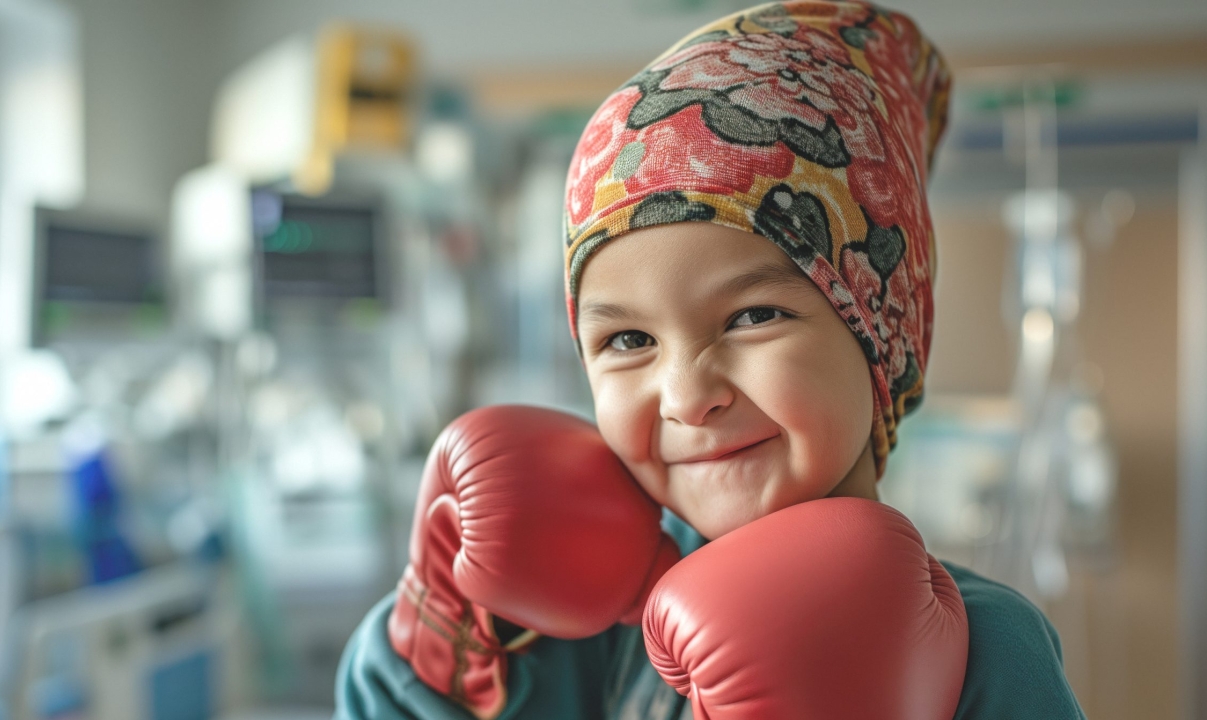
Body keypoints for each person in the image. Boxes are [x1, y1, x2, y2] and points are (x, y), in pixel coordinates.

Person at [334, 1, 1087, 718]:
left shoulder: (983, 650)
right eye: (627, 341)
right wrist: (434, 640)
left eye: (753, 316)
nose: (686, 397)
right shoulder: (563, 623)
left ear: (879, 333)